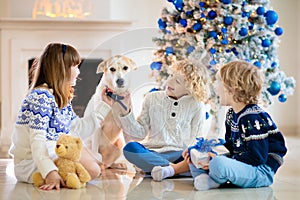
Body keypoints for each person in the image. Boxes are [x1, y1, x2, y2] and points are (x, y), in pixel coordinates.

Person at [9, 43, 113, 190]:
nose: (78, 72)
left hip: (52, 150)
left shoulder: (59, 98)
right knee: (91, 169)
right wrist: (49, 171)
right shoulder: (40, 97)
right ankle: (54, 175)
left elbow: (78, 129)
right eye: (75, 67)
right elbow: (37, 143)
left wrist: (104, 105)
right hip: (31, 161)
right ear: (62, 69)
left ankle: (65, 174)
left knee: (93, 166)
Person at [189, 60, 287, 191]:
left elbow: (257, 157)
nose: (215, 87)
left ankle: (214, 180)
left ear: (233, 88)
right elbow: (231, 146)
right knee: (194, 151)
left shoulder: (252, 118)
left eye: (219, 82)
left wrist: (219, 159)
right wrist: (207, 150)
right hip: (244, 164)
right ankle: (210, 178)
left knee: (219, 163)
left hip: (260, 171)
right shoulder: (231, 114)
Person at [117, 59, 210, 180]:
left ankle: (160, 169)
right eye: (171, 76)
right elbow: (139, 133)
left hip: (179, 155)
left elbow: (197, 139)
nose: (169, 81)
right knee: (130, 148)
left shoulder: (197, 105)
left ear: (191, 88)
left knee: (197, 155)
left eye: (177, 81)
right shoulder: (152, 98)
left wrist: (191, 156)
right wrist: (126, 110)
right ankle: (174, 170)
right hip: (153, 153)